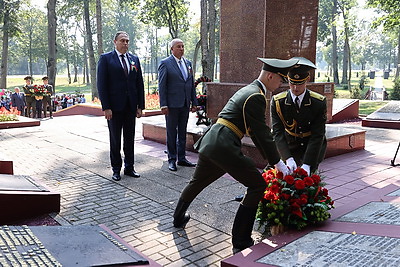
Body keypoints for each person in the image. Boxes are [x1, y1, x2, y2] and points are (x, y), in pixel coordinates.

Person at [172, 57, 298, 254]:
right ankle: (240, 240)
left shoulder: (250, 90)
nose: (281, 84)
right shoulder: (256, 95)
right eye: (280, 79)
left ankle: (178, 217)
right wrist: (277, 163)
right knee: (257, 185)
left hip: (213, 141)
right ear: (270, 75)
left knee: (197, 181)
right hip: (223, 145)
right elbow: (260, 133)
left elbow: (255, 132)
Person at [97, 31, 145, 181]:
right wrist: (106, 107)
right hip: (114, 108)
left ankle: (129, 167)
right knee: (115, 139)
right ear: (115, 42)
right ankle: (116, 169)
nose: (125, 43)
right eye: (122, 41)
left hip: (130, 106)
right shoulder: (106, 59)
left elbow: (139, 84)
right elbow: (102, 85)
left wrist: (140, 106)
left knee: (130, 139)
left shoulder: (134, 59)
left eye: (127, 41)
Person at [271, 57, 327, 176]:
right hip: (288, 144)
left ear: (307, 80)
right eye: (292, 83)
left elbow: (318, 135)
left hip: (310, 147)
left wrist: (307, 163)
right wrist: (287, 158)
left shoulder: (318, 102)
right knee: (272, 180)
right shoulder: (278, 102)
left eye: (300, 83)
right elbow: (277, 133)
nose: (295, 88)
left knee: (307, 185)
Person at [158, 38, 198, 172]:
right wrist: (163, 104)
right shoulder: (165, 63)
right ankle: (171, 159)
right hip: (172, 105)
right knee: (171, 132)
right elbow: (162, 86)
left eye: (183, 46)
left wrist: (194, 102)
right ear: (172, 49)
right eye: (178, 46)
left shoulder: (188, 63)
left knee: (182, 131)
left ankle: (181, 158)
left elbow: (190, 84)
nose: (181, 48)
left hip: (185, 104)